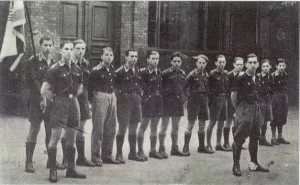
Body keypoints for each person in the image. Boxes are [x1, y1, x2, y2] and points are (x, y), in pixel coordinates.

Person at [41, 41, 86, 182]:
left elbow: (80, 87)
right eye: (66, 49)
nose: (69, 51)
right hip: (60, 103)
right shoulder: (54, 69)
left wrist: (72, 97)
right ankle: (53, 170)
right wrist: (55, 98)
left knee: (71, 139)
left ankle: (71, 169)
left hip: (73, 103)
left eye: (71, 49)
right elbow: (44, 90)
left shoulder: (77, 68)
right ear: (61, 51)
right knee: (55, 138)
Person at [25, 34, 65, 173]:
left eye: (50, 45)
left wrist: (50, 98)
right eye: (45, 45)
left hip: (50, 102)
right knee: (34, 129)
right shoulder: (33, 60)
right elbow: (33, 81)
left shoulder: (54, 63)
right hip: (36, 101)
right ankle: (29, 161)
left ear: (53, 46)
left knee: (50, 131)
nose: (48, 48)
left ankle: (51, 160)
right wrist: (41, 98)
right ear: (40, 45)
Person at [231, 53, 269, 176]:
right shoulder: (241, 78)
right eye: (250, 63)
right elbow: (234, 96)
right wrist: (240, 110)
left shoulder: (257, 78)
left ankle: (254, 163)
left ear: (257, 64)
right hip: (245, 109)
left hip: (256, 109)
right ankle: (236, 165)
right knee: (240, 137)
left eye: (255, 62)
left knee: (255, 137)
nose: (253, 65)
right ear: (246, 64)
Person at [60, 39, 95, 167]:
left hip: (83, 99)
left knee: (81, 129)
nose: (80, 51)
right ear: (73, 49)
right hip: (71, 99)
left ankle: (81, 158)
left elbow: (87, 83)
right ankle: (66, 159)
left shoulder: (85, 63)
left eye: (83, 49)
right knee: (69, 129)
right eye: (78, 48)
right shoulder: (69, 64)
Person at [88, 47, 120, 166]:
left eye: (111, 55)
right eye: (106, 55)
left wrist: (113, 97)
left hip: (111, 96)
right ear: (101, 56)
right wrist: (93, 102)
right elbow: (90, 88)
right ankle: (95, 156)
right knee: (98, 128)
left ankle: (107, 155)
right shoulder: (96, 71)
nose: (109, 57)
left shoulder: (112, 69)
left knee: (111, 128)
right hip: (100, 97)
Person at [115, 49, 145, 164]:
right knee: (122, 127)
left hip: (136, 101)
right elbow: (115, 88)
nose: (134, 59)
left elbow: (140, 85)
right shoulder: (120, 72)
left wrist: (139, 94)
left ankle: (132, 153)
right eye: (131, 56)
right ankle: (119, 154)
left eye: (136, 56)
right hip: (124, 102)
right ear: (126, 57)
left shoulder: (137, 71)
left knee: (134, 127)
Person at [159, 51, 189, 158]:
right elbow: (161, 89)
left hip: (177, 103)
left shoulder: (183, 73)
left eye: (179, 61)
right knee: (164, 126)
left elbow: (184, 88)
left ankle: (174, 148)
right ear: (171, 61)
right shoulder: (165, 73)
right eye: (175, 61)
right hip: (167, 103)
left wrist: (184, 99)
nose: (177, 63)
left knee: (176, 127)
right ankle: (161, 149)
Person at [137, 50, 163, 160]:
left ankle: (153, 150)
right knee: (143, 126)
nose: (155, 61)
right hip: (147, 102)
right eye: (153, 58)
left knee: (154, 127)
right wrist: (145, 98)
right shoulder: (143, 72)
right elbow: (140, 88)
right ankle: (140, 151)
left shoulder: (159, 72)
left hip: (157, 102)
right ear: (148, 60)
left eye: (157, 58)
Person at [183, 54, 210, 155]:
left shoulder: (207, 75)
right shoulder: (192, 74)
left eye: (204, 63)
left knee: (202, 124)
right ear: (196, 63)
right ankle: (186, 147)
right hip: (194, 100)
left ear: (206, 64)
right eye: (200, 63)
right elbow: (185, 88)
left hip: (203, 100)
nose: (201, 65)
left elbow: (208, 88)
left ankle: (201, 146)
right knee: (191, 123)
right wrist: (189, 98)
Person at [206, 55, 229, 153]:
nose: (222, 64)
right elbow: (208, 89)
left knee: (221, 123)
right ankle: (208, 144)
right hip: (215, 100)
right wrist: (211, 103)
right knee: (212, 122)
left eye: (223, 62)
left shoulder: (226, 74)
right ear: (215, 63)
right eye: (220, 62)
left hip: (224, 100)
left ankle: (218, 144)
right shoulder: (212, 74)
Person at [223, 57, 244, 151]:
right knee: (229, 121)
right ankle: (226, 143)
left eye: (241, 64)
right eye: (238, 64)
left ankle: (237, 142)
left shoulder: (244, 75)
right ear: (234, 65)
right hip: (230, 101)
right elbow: (226, 89)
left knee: (238, 122)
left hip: (240, 102)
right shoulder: (229, 75)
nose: (240, 66)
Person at [270, 58, 290, 145]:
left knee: (283, 115)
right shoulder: (273, 76)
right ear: (276, 66)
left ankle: (280, 136)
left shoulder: (285, 74)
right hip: (275, 96)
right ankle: (273, 137)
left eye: (283, 66)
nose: (282, 67)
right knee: (275, 115)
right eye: (280, 66)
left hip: (284, 96)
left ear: (285, 66)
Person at [257, 59, 273, 146]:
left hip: (268, 100)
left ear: (270, 67)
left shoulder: (271, 77)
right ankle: (257, 138)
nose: (266, 68)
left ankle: (263, 138)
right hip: (260, 100)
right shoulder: (258, 76)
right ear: (261, 67)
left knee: (266, 120)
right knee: (260, 120)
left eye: (267, 66)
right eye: (264, 66)